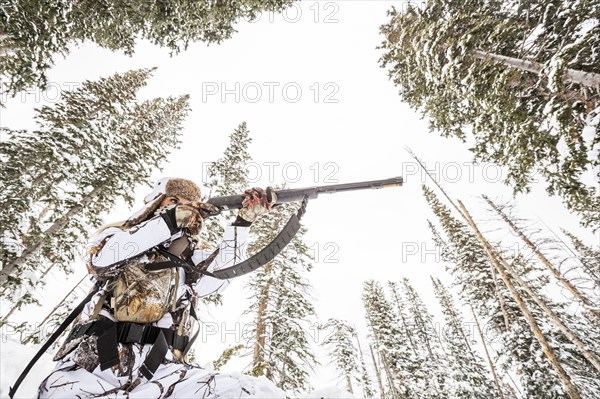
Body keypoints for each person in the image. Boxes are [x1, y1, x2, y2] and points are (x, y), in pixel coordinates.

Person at [37, 177, 279, 398]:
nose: (181, 207)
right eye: (174, 201)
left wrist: (242, 223)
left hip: (162, 372)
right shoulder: (117, 236)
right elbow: (103, 260)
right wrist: (172, 220)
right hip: (92, 365)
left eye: (188, 204)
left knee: (245, 392)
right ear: (153, 203)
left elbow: (217, 279)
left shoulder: (190, 255)